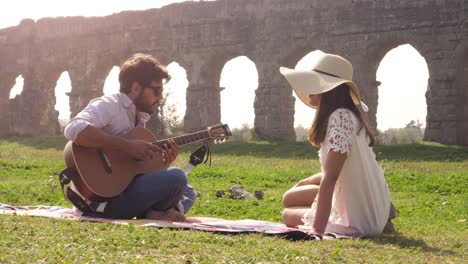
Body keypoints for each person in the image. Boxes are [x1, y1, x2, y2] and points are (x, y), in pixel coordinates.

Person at [64, 53, 196, 221]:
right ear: (136, 88)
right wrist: (126, 145)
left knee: (187, 189)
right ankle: (153, 212)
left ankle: (152, 213)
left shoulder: (139, 119)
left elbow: (130, 170)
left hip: (121, 191)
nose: (160, 97)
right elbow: (74, 128)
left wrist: (163, 164)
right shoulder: (110, 105)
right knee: (176, 177)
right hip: (101, 201)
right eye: (156, 91)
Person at [279, 50, 395, 237]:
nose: (309, 88)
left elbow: (331, 177)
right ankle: (383, 215)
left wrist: (317, 229)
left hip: (358, 219)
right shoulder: (345, 116)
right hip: (361, 196)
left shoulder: (340, 117)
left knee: (287, 213)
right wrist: (305, 181)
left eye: (314, 82)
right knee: (290, 196)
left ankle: (376, 217)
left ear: (328, 89)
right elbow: (338, 168)